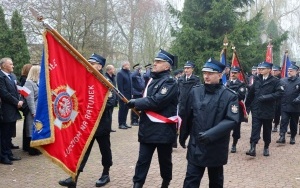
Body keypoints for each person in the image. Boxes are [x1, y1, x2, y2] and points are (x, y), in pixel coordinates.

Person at [179, 58, 239, 188]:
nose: (206, 76)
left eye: (210, 73)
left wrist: (210, 134)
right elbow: (188, 116)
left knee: (216, 181)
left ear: (220, 75)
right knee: (190, 181)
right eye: (204, 73)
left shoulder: (229, 95)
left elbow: (232, 120)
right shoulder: (195, 91)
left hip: (216, 146)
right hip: (196, 144)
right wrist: (183, 135)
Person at [58, 53, 115, 188]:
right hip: (86, 124)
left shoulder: (106, 82)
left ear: (99, 66)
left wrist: (92, 106)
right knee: (81, 150)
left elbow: (111, 102)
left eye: (92, 63)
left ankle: (106, 174)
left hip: (101, 124)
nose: (88, 65)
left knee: (105, 150)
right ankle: (74, 177)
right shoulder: (84, 80)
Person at [126, 49, 178, 188]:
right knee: (142, 161)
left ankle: (165, 182)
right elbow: (147, 100)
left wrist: (136, 103)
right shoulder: (151, 80)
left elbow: (157, 101)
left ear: (167, 66)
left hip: (163, 131)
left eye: (158, 62)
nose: (154, 64)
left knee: (165, 161)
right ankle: (137, 184)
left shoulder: (170, 82)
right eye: (155, 61)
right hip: (147, 129)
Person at [245, 61, 284, 157]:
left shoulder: (275, 81)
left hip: (268, 110)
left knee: (267, 129)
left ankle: (266, 146)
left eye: (263, 69)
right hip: (257, 109)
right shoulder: (257, 79)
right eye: (260, 68)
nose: (260, 70)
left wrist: (266, 97)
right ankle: (252, 147)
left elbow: (280, 93)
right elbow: (251, 94)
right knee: (255, 129)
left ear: (269, 70)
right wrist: (247, 107)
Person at [0, 57, 23, 165]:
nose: (13, 66)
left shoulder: (12, 76)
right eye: (11, 64)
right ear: (4, 65)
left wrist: (21, 99)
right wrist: (16, 102)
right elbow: (4, 94)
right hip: (5, 109)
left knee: (9, 133)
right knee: (4, 134)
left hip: (13, 108)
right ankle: (3, 155)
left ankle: (9, 153)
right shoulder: (1, 77)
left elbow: (18, 88)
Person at [176, 61, 200, 148]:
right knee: (180, 124)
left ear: (192, 69)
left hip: (191, 106)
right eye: (185, 68)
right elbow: (178, 92)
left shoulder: (196, 80)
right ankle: (180, 140)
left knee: (189, 124)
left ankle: (188, 141)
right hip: (182, 106)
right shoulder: (180, 79)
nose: (186, 70)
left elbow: (198, 93)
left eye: (188, 68)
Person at [276, 64, 300, 145]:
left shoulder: (299, 81)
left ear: (297, 72)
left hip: (295, 106)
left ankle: (293, 136)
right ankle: (282, 136)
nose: (289, 72)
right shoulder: (283, 80)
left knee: (293, 123)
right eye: (288, 71)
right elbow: (278, 90)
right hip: (284, 105)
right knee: (283, 121)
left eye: (291, 71)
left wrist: (298, 99)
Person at [225, 66, 247, 153]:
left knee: (236, 128)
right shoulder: (226, 83)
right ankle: (225, 144)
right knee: (225, 127)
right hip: (226, 108)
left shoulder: (241, 84)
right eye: (232, 73)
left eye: (235, 73)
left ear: (238, 74)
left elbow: (240, 96)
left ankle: (234, 144)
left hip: (236, 108)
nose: (233, 74)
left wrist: (229, 95)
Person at [24, 65, 41, 155]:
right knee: (31, 129)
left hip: (39, 110)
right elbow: (29, 99)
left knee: (37, 128)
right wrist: (33, 112)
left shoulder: (37, 82)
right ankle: (31, 150)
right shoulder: (29, 83)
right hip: (33, 110)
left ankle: (37, 148)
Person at [19, 63, 33, 152]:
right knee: (28, 127)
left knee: (27, 126)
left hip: (26, 105)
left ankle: (26, 146)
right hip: (27, 105)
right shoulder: (25, 80)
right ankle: (27, 146)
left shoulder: (24, 79)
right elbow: (25, 93)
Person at [117, 61, 132, 129]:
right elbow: (120, 86)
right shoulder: (120, 73)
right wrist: (122, 96)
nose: (129, 66)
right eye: (128, 65)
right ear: (124, 65)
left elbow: (131, 85)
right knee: (122, 109)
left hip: (129, 95)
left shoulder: (129, 73)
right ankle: (121, 124)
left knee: (126, 109)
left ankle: (124, 122)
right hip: (123, 95)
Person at [105, 64, 117, 132]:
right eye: (113, 69)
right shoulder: (106, 77)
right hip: (109, 99)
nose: (114, 70)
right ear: (109, 70)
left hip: (113, 98)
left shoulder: (113, 77)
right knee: (107, 114)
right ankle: (107, 128)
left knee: (111, 114)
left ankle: (109, 127)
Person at [271, 65, 282, 132]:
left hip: (279, 99)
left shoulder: (281, 79)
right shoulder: (271, 78)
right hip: (271, 98)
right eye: (273, 70)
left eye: (276, 70)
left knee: (277, 112)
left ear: (279, 71)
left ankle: (276, 124)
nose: (274, 72)